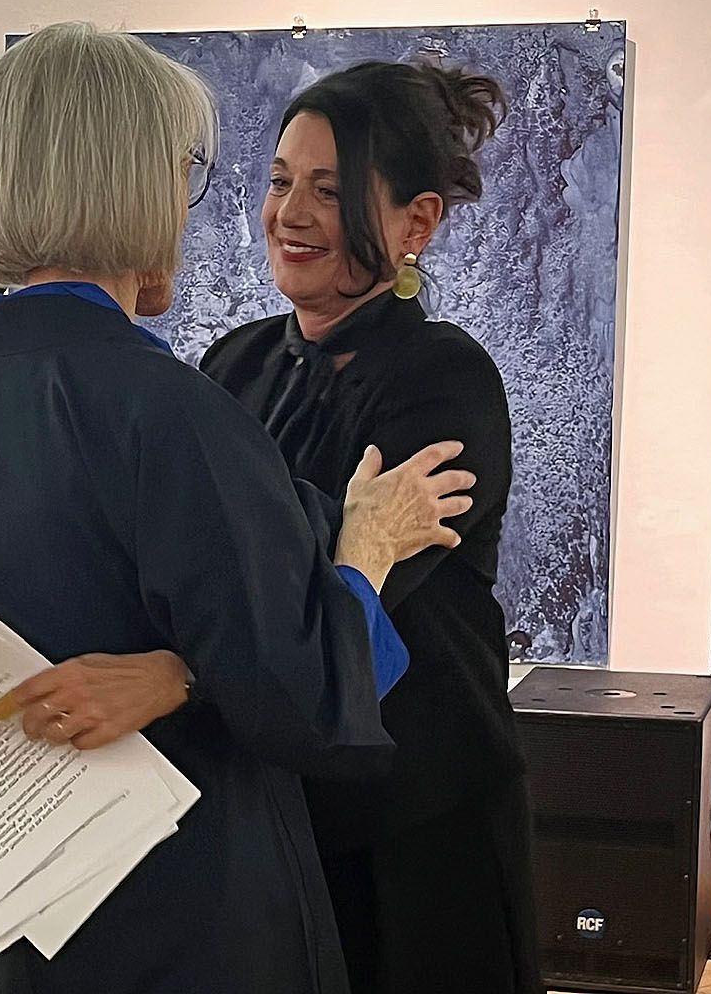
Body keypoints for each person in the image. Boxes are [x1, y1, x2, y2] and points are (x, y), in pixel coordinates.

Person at [0, 22, 478, 994]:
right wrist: (366, 552)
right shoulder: (169, 413)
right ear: (132, 181)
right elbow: (304, 698)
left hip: (20, 908)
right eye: (185, 173)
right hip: (177, 912)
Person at [200, 60, 543, 994]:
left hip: (418, 826)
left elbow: (309, 595)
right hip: (279, 813)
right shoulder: (233, 366)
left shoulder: (444, 379)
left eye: (331, 190)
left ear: (415, 224)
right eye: (281, 181)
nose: (291, 214)